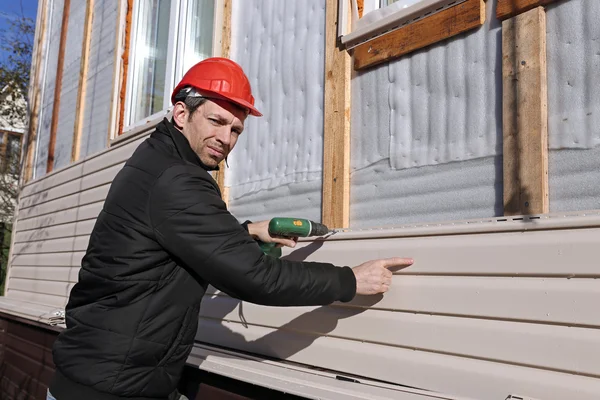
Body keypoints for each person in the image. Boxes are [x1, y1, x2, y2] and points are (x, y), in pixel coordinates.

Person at [47, 57, 414, 400]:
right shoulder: (178, 179)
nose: (227, 138)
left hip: (100, 373)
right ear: (181, 113)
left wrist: (251, 231)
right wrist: (349, 280)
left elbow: (182, 238)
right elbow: (255, 277)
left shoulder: (155, 162)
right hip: (113, 386)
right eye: (217, 121)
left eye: (236, 128)